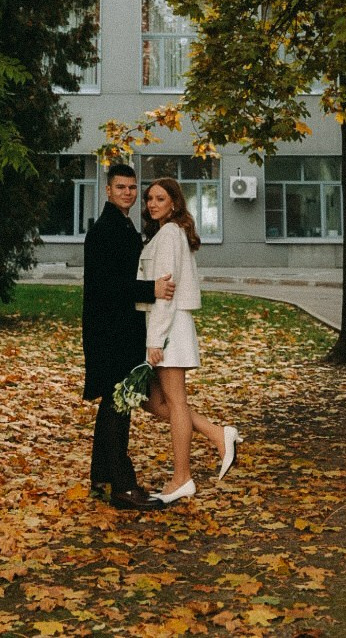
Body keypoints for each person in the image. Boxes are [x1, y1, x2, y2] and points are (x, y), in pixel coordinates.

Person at [138, 176, 240, 504]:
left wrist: (155, 341)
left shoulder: (170, 234)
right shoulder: (167, 233)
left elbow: (165, 293)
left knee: (175, 402)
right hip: (167, 327)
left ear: (175, 203)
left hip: (169, 328)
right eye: (150, 198)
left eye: (160, 198)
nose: (153, 204)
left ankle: (182, 478)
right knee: (153, 401)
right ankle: (216, 433)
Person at [82, 160, 175, 510]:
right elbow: (107, 286)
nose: (128, 193)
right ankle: (122, 487)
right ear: (108, 190)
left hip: (117, 330)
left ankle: (102, 478)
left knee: (114, 404)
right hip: (110, 333)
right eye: (121, 187)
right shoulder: (106, 230)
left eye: (133, 187)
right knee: (118, 408)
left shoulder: (121, 226)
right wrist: (152, 289)